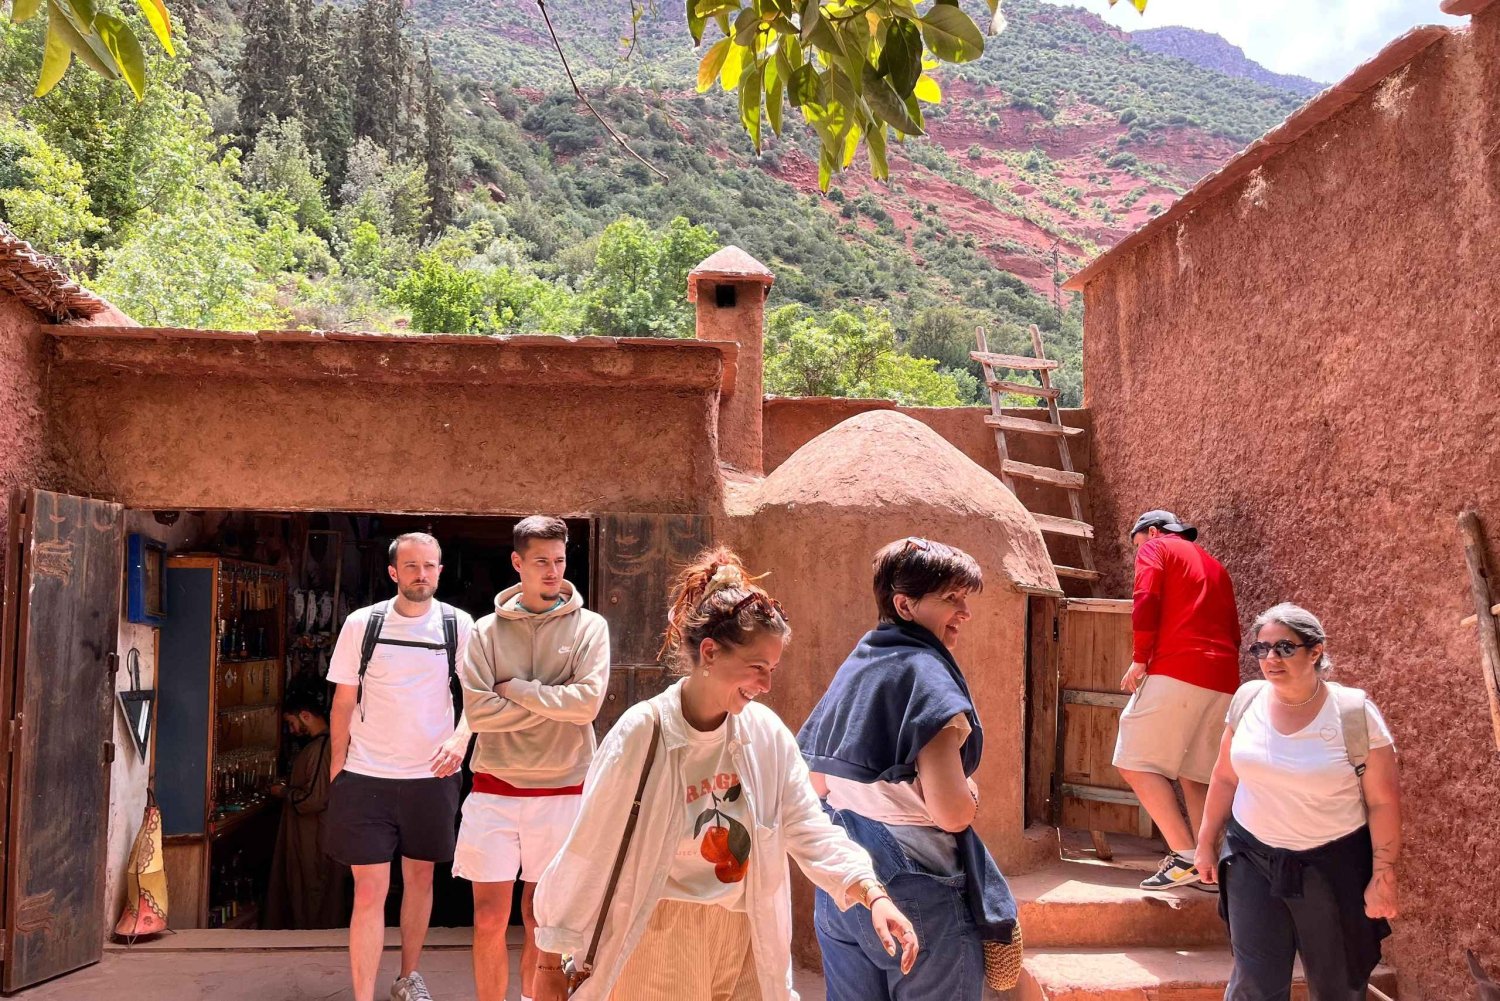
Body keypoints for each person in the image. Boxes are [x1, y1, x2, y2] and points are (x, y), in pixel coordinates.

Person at [531, 547, 918, 1001]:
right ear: (710, 652)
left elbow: (809, 827)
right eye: (757, 668)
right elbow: (589, 847)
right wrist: (549, 958)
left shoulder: (766, 735)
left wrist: (872, 893)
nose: (766, 685)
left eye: (772, 670)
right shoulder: (643, 732)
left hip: (746, 934)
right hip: (657, 935)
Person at [799, 537, 1018, 1001]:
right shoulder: (927, 677)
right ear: (905, 604)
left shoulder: (856, 667)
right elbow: (953, 814)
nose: (965, 612)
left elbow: (815, 782)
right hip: (919, 894)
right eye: (951, 599)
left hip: (845, 890)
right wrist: (971, 792)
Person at [1197, 603, 1402, 1000]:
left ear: (1316, 651)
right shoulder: (1247, 700)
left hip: (1331, 864)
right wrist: (1205, 842)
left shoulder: (1354, 714)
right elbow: (1225, 776)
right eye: (1262, 649)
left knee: (1336, 985)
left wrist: (1383, 875)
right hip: (1250, 857)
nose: (1271, 659)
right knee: (1254, 983)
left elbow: (1383, 803)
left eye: (1285, 648)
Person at [457, 516, 610, 1001]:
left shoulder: (590, 627)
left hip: (564, 791)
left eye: (559, 560)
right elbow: (479, 713)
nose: (552, 571)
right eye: (541, 561)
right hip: (494, 792)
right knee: (487, 919)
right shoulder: (483, 632)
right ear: (517, 563)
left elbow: (587, 704)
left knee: (544, 921)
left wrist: (518, 691)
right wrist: (551, 706)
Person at [326, 533, 476, 1001]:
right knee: (369, 891)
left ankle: (408, 978)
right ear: (394, 573)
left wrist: (459, 738)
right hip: (366, 774)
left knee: (421, 878)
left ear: (439, 571)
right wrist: (337, 769)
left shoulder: (457, 624)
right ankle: (363, 995)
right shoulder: (362, 624)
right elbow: (343, 701)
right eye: (411, 567)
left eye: (429, 566)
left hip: (431, 776)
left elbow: (477, 697)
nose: (421, 574)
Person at [1115, 509, 1242, 890]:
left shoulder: (1156, 548)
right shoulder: (1216, 567)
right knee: (1196, 773)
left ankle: (1185, 857)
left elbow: (1146, 596)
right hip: (1224, 678)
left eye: (1137, 542)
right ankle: (1209, 865)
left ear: (1152, 532)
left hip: (1177, 668)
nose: (1138, 551)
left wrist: (1140, 659)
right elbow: (1234, 628)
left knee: (1132, 759)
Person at [266, 687, 349, 929]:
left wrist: (283, 792)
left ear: (305, 715)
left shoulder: (321, 748)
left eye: (292, 723)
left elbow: (313, 798)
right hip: (314, 835)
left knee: (313, 891)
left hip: (314, 837)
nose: (292, 730)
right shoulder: (325, 745)